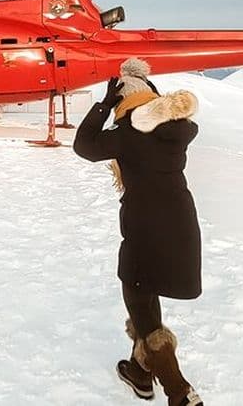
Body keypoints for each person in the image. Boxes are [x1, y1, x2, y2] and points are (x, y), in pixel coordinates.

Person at [73, 58, 203, 406]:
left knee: (140, 302)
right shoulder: (176, 132)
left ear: (125, 107)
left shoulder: (129, 138)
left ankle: (180, 393)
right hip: (181, 226)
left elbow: (84, 145)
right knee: (146, 293)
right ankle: (140, 374)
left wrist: (104, 104)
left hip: (146, 230)